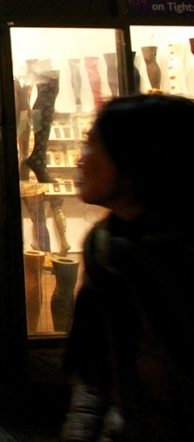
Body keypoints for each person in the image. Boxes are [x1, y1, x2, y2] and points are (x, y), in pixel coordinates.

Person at [60, 94, 194, 442]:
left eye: (91, 146)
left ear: (134, 161)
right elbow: (95, 376)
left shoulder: (172, 260)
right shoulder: (106, 249)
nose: (80, 159)